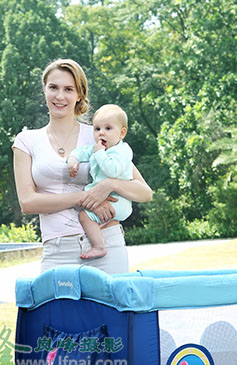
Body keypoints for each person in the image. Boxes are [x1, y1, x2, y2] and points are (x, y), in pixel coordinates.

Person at [12, 59, 152, 274]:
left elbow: (145, 193)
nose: (60, 96)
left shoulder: (99, 135)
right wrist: (86, 198)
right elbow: (28, 202)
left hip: (107, 245)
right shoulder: (26, 140)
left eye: (69, 89)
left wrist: (110, 184)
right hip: (57, 250)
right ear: (44, 90)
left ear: (79, 94)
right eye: (53, 87)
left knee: (112, 298)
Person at [66, 104, 133, 259]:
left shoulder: (122, 151)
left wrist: (100, 153)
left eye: (108, 128)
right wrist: (73, 159)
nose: (101, 133)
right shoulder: (97, 148)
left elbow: (113, 171)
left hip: (118, 200)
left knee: (85, 216)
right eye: (97, 129)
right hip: (104, 198)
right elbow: (83, 151)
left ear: (122, 133)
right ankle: (99, 240)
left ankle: (99, 246)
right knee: (88, 211)